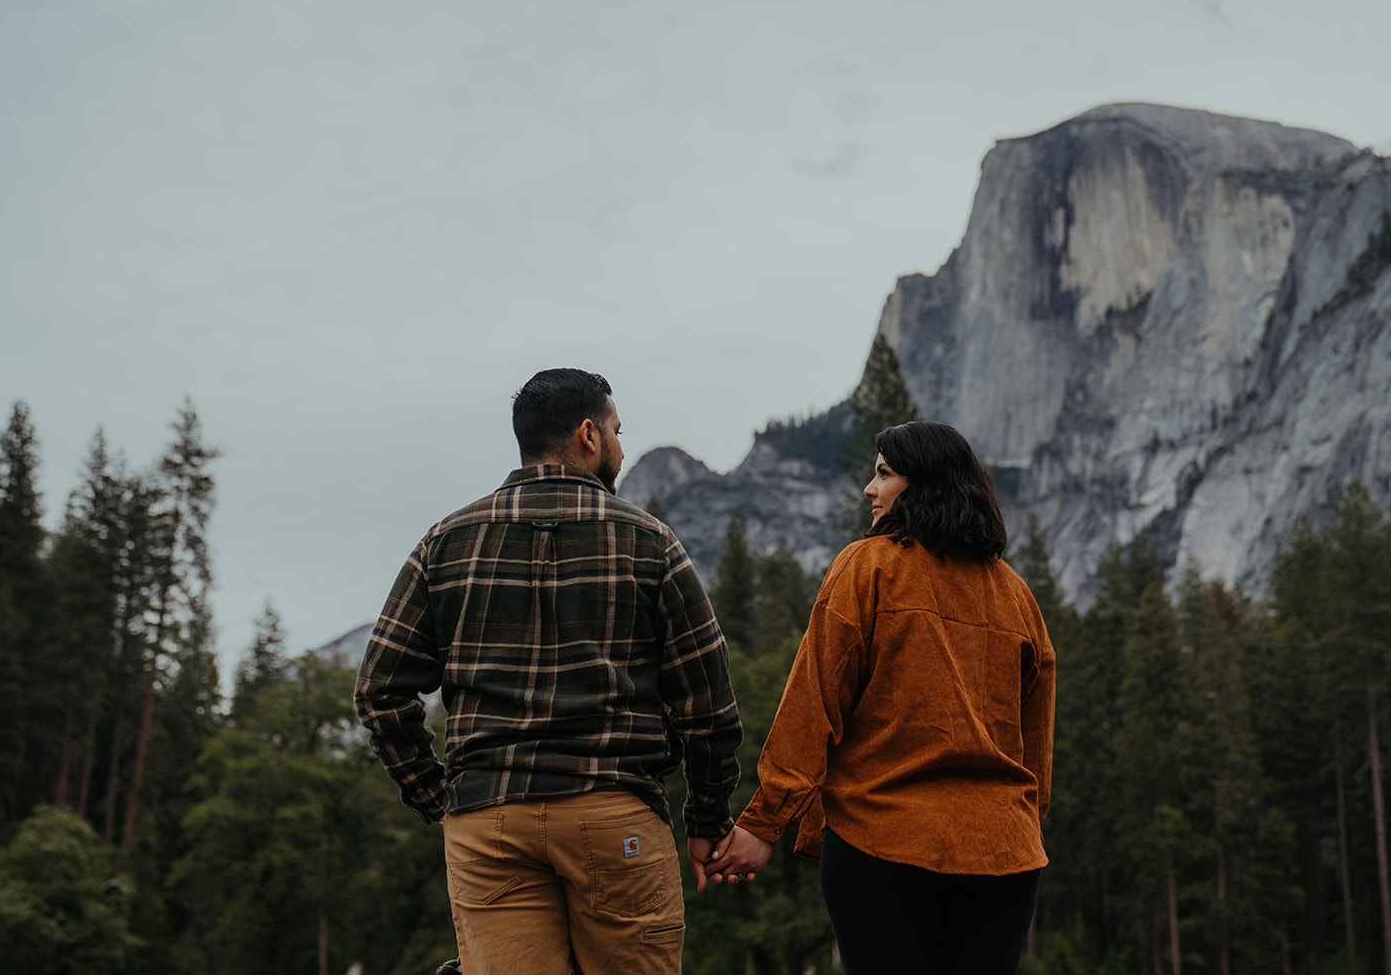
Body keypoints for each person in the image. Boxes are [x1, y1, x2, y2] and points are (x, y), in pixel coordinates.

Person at [354, 368, 743, 975]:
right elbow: (709, 706)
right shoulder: (651, 543)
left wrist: (443, 800)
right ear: (589, 434)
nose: (620, 443)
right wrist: (708, 820)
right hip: (614, 816)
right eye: (616, 430)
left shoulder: (444, 543)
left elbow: (379, 692)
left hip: (491, 823)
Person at [704, 420, 1055, 975]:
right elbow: (1035, 745)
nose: (870, 489)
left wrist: (765, 823)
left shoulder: (867, 567)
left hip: (882, 844)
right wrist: (1024, 826)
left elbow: (812, 704)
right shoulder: (1017, 595)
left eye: (885, 474)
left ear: (925, 485)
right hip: (1003, 856)